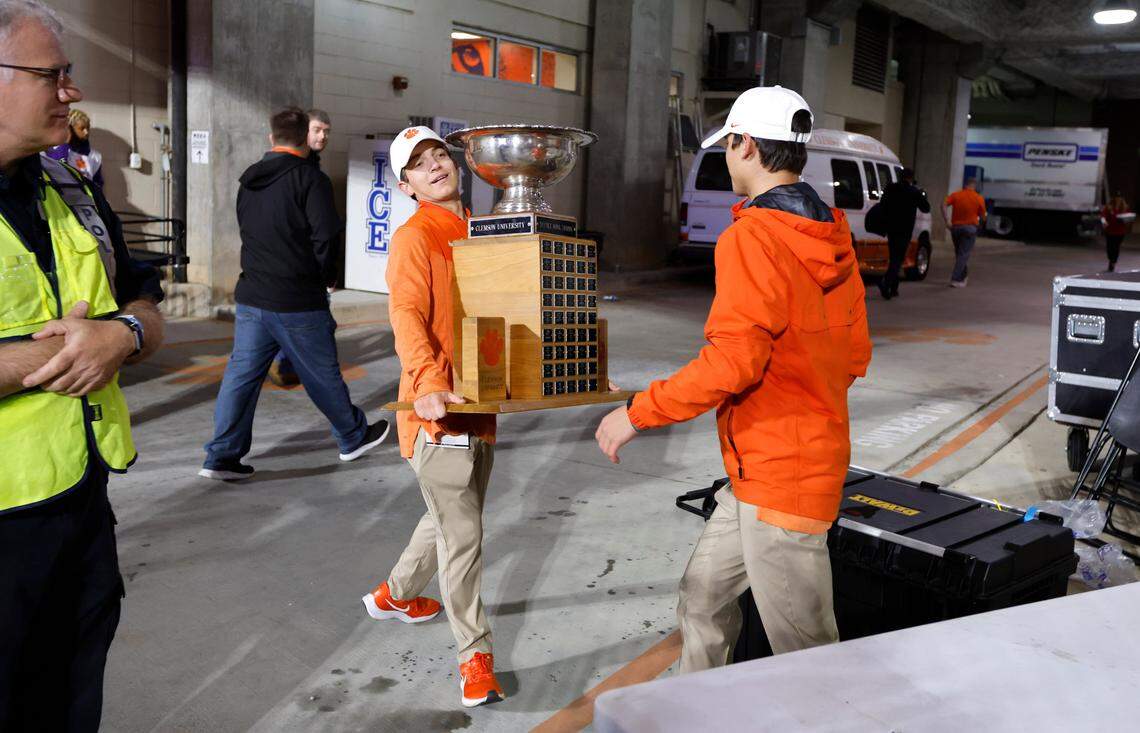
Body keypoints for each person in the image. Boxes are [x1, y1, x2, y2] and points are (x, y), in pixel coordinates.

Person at [594, 86, 872, 674]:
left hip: (782, 480)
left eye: (728, 146)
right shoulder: (832, 233)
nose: (727, 157)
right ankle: (700, 709)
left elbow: (732, 362)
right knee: (702, 599)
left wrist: (637, 413)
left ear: (745, 145)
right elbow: (853, 355)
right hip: (766, 469)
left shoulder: (752, 236)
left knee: (808, 658)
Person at [0, 2, 166, 729]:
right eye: (53, 75)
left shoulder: (71, 188)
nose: (71, 91)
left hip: (80, 506)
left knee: (71, 690)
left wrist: (123, 334)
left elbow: (145, 300)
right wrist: (63, 353)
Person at [359, 126, 504, 709]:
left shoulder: (480, 229)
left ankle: (394, 596)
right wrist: (427, 382)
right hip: (438, 411)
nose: (436, 165)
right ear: (407, 186)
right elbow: (406, 314)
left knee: (449, 517)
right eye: (419, 164)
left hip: (482, 404)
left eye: (439, 154)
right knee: (463, 535)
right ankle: (475, 656)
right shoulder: (415, 237)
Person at [199, 107, 388, 480]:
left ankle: (221, 456)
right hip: (296, 298)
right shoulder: (310, 180)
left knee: (241, 376)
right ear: (304, 139)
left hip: (252, 296)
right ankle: (352, 436)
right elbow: (326, 236)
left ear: (272, 138)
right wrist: (326, 277)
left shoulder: (248, 179)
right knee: (320, 373)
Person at [268, 107, 334, 388]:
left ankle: (287, 363)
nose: (322, 136)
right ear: (301, 133)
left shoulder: (313, 166)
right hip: (296, 264)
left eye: (326, 132)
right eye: (317, 130)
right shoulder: (297, 170)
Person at [878, 167, 929, 299]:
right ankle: (886, 283)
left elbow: (882, 204)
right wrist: (919, 193)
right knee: (898, 259)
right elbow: (926, 208)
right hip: (905, 230)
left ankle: (894, 288)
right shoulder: (913, 191)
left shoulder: (890, 188)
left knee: (894, 257)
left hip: (891, 228)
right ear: (911, 178)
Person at [943, 178, 986, 287]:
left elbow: (943, 205)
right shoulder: (978, 198)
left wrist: (947, 221)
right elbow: (983, 216)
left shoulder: (956, 195)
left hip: (955, 229)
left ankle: (963, 277)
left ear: (965, 185)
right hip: (970, 229)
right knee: (963, 255)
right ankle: (955, 278)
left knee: (960, 254)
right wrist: (979, 226)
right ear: (974, 186)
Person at [44, 107, 103, 186]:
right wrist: (65, 142)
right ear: (70, 128)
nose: (86, 132)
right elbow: (55, 171)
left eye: (88, 127)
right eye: (82, 128)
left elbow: (98, 184)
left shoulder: (95, 156)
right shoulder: (52, 150)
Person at [1102, 193, 1132, 273]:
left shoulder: (1125, 207)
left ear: (1122, 199)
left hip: (1120, 232)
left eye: (1120, 198)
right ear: (1114, 198)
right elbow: (1103, 216)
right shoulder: (1109, 207)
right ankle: (1111, 259)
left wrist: (1127, 220)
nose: (1118, 199)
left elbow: (1128, 218)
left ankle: (1113, 262)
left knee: (1116, 247)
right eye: (1117, 198)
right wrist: (1104, 222)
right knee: (1109, 247)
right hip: (1110, 231)